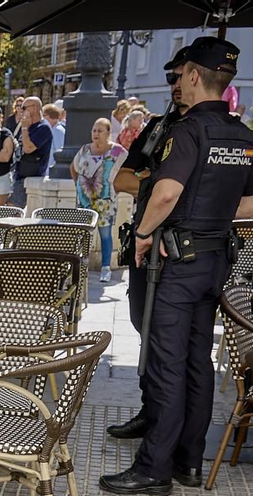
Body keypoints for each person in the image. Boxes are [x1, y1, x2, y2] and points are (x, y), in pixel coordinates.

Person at [100, 36, 253, 496]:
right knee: (197, 363)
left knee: (168, 365)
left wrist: (148, 232)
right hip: (213, 259)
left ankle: (155, 468)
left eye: (181, 74)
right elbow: (250, 205)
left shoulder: (188, 131)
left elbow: (166, 193)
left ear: (194, 76)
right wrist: (207, 213)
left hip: (177, 258)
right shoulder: (243, 136)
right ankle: (190, 460)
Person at [106, 64, 189, 442]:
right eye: (169, 78)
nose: (174, 85)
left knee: (175, 343)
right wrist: (155, 181)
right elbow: (121, 178)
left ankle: (171, 423)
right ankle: (150, 410)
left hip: (185, 252)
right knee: (143, 326)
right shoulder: (158, 127)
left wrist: (153, 184)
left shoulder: (209, 130)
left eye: (181, 77)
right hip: (144, 245)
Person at [71, 117, 126, 283]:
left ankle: (105, 268)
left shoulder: (118, 152)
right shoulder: (85, 149)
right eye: (94, 130)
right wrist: (78, 186)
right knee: (83, 234)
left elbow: (126, 172)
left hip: (106, 200)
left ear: (108, 133)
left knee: (106, 234)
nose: (96, 134)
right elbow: (73, 168)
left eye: (100, 131)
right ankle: (80, 265)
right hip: (84, 200)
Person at [11, 96, 51, 211]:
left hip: (32, 177)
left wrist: (24, 128)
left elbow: (28, 148)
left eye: (23, 108)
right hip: (20, 175)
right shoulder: (28, 126)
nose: (20, 111)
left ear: (34, 108)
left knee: (15, 212)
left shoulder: (43, 128)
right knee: (12, 210)